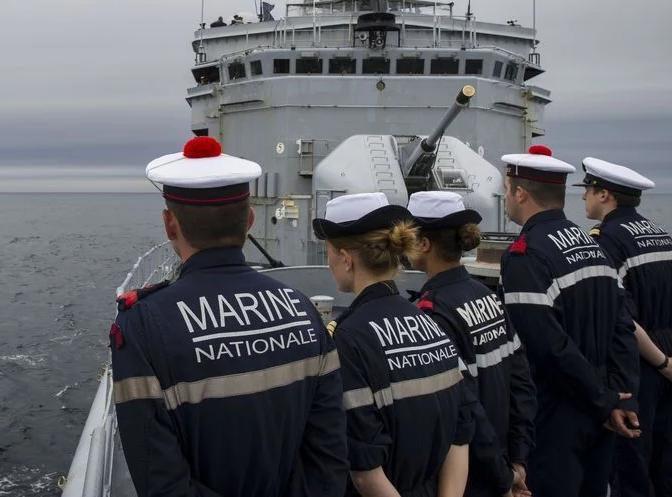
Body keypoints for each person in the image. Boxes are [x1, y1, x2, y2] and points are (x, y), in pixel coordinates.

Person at [111, 136, 347, 497]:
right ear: (250, 220)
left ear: (170, 225)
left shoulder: (143, 325)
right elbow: (328, 458)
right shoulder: (304, 310)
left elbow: (161, 481)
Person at [498, 145, 641, 497]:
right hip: (601, 409)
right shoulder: (592, 245)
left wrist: (604, 399)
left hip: (555, 413)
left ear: (520, 192)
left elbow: (546, 346)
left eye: (506, 190)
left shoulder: (525, 254)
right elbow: (624, 326)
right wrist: (619, 399)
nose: (505, 198)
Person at [313, 192, 473, 497]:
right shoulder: (432, 325)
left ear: (346, 259)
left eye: (329, 252)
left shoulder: (348, 339)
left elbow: (365, 471)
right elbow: (461, 430)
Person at [576, 157, 672, 497]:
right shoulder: (664, 238)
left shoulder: (606, 241)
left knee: (630, 468)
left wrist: (663, 364)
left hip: (636, 367)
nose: (583, 197)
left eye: (587, 190)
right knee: (668, 461)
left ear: (604, 195)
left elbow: (622, 320)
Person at [407, 191, 536, 497]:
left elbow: (468, 409)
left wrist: (501, 476)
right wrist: (517, 459)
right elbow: (522, 381)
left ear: (424, 244)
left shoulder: (433, 313)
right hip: (503, 462)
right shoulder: (487, 296)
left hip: (471, 474)